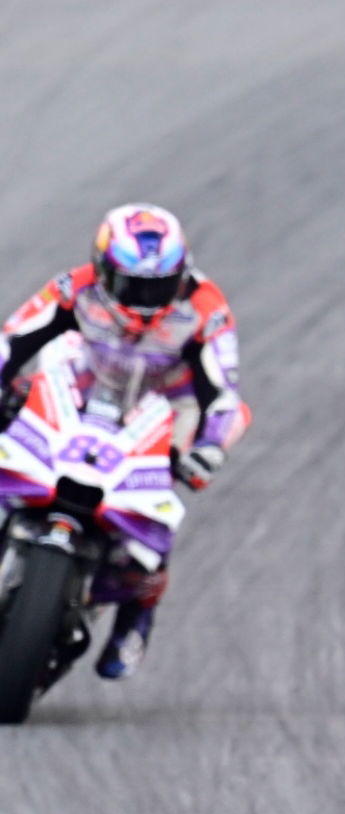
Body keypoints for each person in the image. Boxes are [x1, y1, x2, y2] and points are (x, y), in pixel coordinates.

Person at [0, 203, 249, 678]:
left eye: (160, 286)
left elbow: (223, 394)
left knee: (159, 497)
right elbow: (12, 341)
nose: (146, 301)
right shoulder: (72, 288)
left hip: (165, 403)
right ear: (102, 270)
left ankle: (136, 617)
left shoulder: (207, 311)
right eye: (133, 285)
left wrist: (208, 447)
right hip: (84, 382)